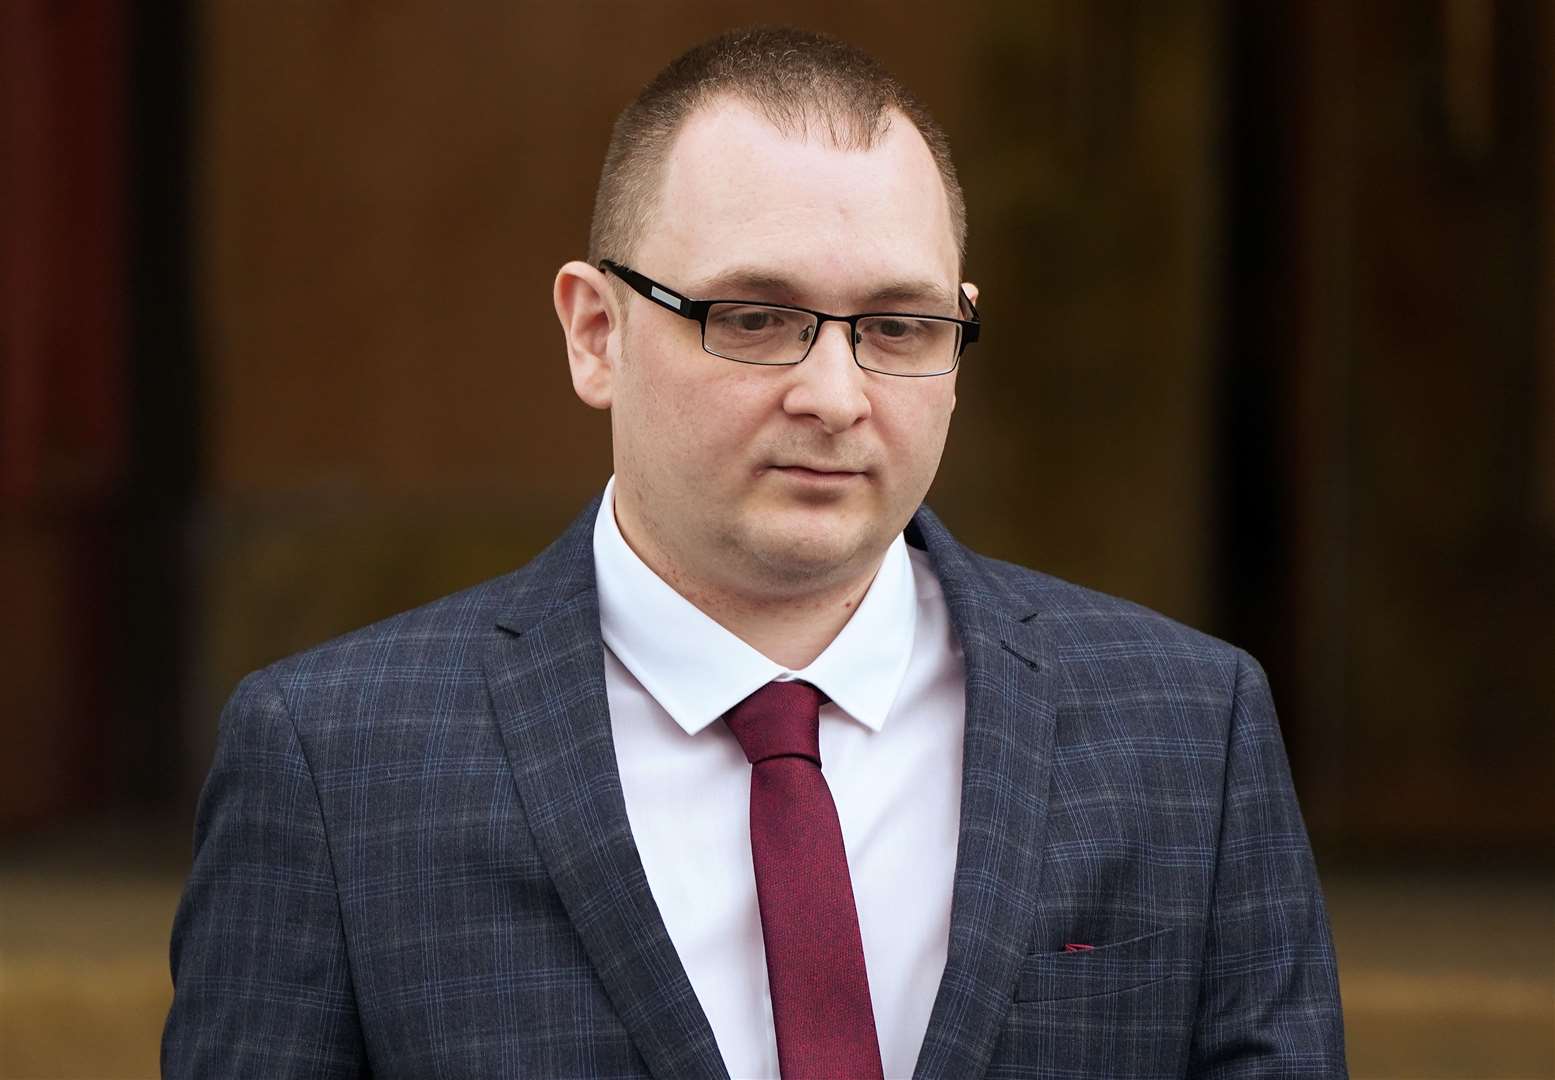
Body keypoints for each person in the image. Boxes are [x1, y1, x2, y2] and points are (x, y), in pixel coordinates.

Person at [163, 26, 1346, 1079]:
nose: (835, 395)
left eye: (897, 325)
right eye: (755, 318)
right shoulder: (335, 763)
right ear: (594, 333)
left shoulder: (1190, 728)